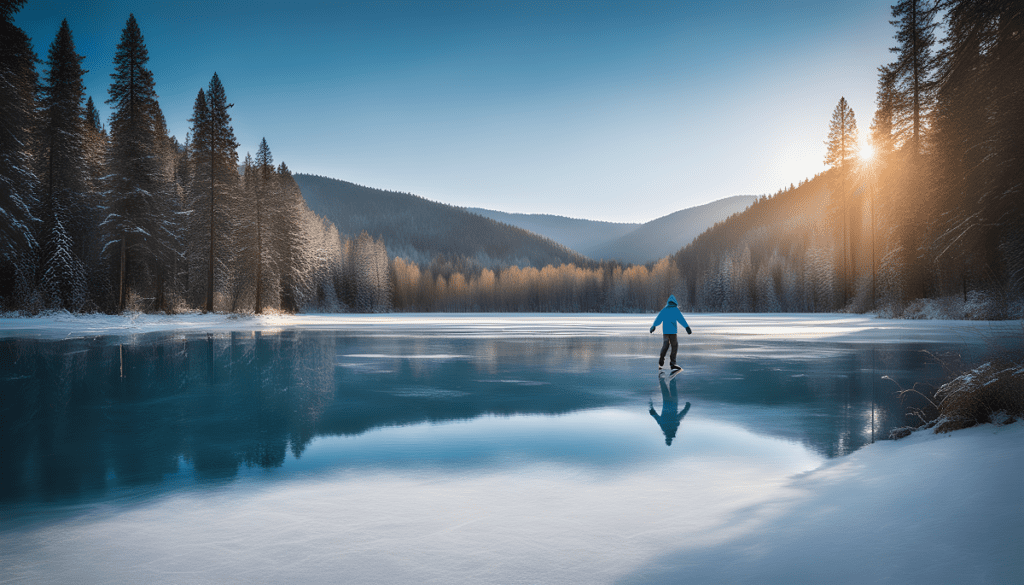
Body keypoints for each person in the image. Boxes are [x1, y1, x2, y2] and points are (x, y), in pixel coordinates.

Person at [649, 294, 691, 373]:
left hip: (666, 331)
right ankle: (672, 363)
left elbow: (658, 318)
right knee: (674, 346)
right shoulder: (675, 310)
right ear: (675, 302)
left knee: (666, 345)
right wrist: (687, 327)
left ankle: (661, 359)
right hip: (673, 332)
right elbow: (681, 319)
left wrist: (654, 326)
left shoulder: (664, 310)